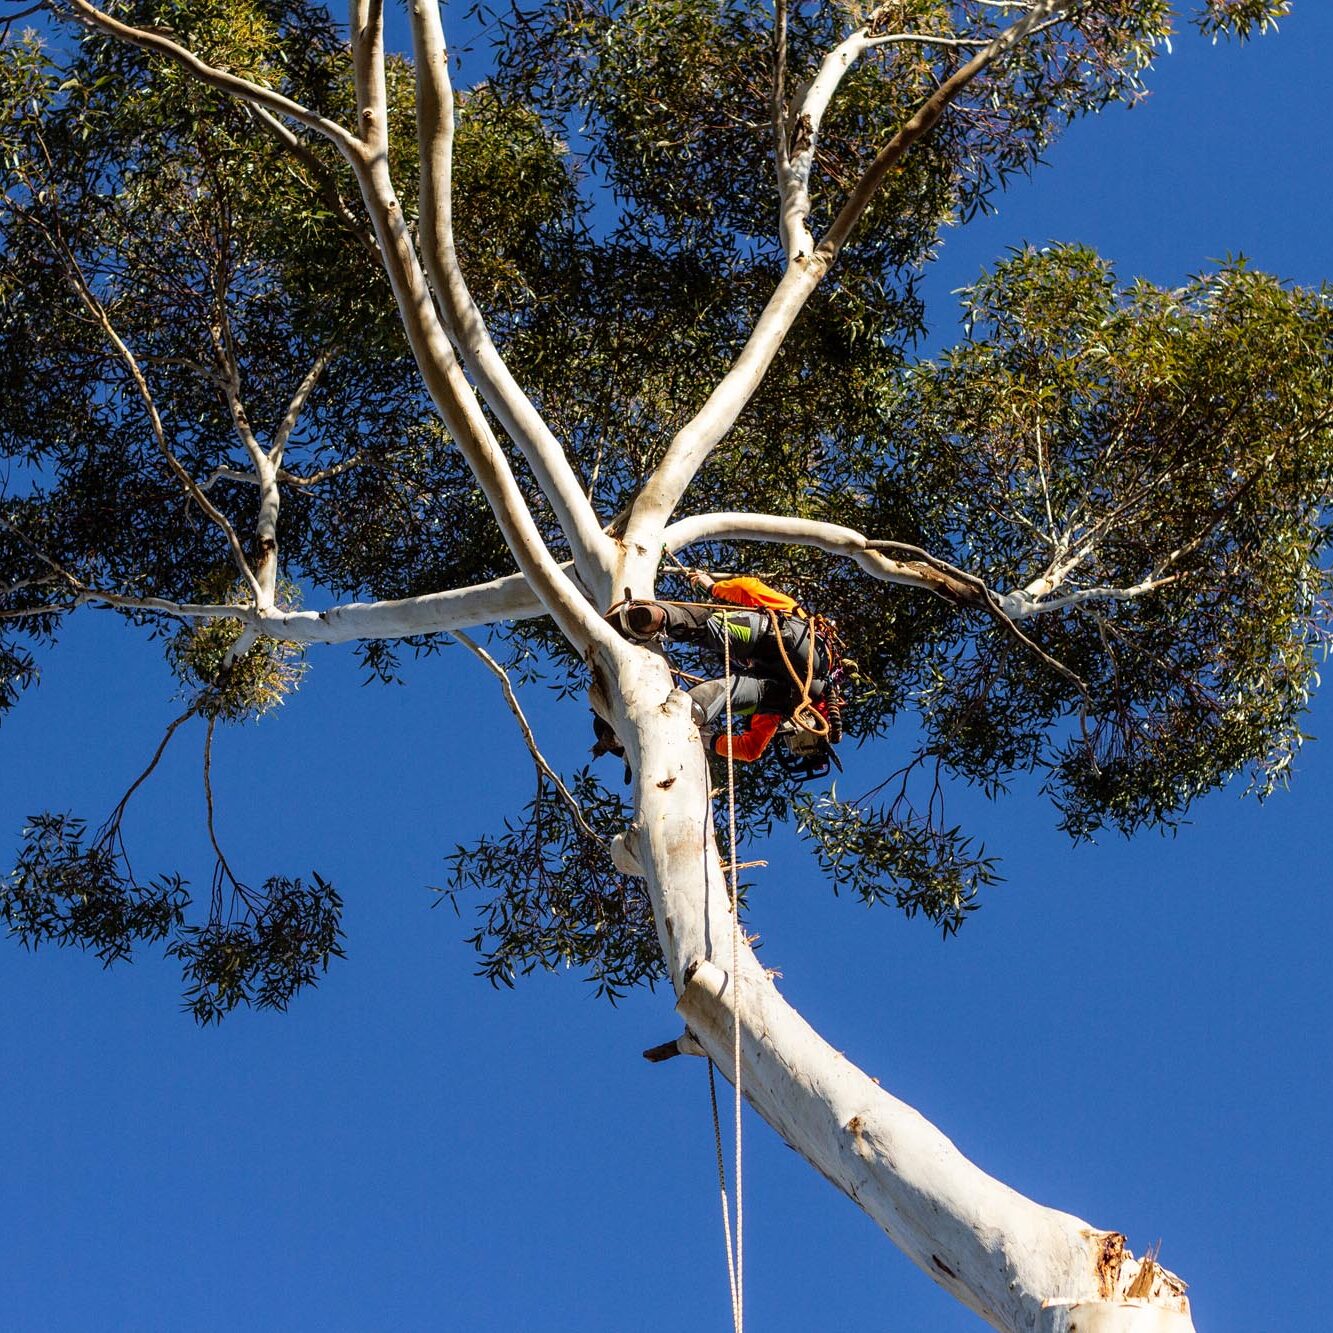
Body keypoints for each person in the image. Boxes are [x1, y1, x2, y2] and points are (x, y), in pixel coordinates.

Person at [611, 569, 832, 763]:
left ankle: (656, 617)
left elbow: (749, 588)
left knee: (706, 627)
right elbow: (751, 750)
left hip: (781, 635)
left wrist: (713, 586)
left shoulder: (797, 614)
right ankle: (687, 714)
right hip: (793, 661)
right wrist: (708, 740)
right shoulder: (788, 704)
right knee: (719, 695)